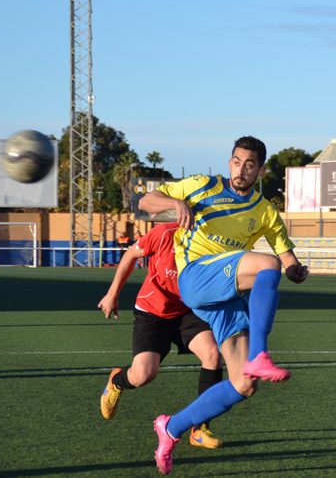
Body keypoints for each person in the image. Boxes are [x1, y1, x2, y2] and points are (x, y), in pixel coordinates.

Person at [139, 136, 309, 473]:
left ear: (260, 170)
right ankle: (261, 354)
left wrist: (296, 271)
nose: (240, 169)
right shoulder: (202, 185)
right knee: (265, 265)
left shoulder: (264, 211)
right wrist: (175, 205)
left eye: (249, 164)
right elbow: (147, 200)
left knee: (244, 384)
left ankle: (170, 427)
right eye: (236, 161)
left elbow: (286, 258)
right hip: (196, 277)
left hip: (225, 295)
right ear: (229, 161)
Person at [97, 222, 223, 449]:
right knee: (143, 375)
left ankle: (200, 427)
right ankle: (117, 380)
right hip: (153, 312)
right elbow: (130, 255)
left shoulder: (213, 240)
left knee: (212, 354)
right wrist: (112, 293)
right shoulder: (165, 233)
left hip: (188, 311)